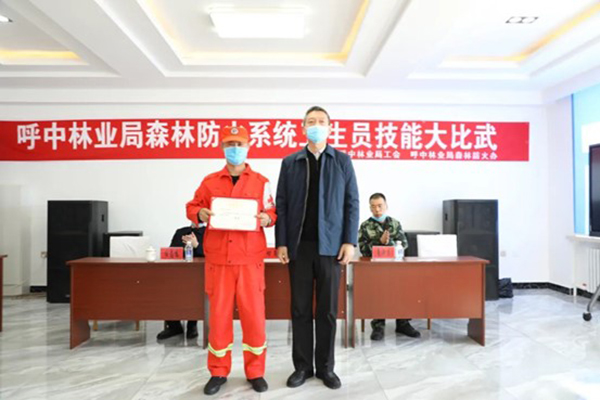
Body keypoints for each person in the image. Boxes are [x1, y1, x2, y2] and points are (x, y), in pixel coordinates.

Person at [186, 125, 277, 396]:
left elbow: (272, 211)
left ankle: (255, 372)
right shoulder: (210, 181)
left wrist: (267, 218)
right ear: (223, 148)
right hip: (219, 261)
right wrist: (200, 213)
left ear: (248, 147)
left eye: (239, 144)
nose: (235, 149)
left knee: (254, 318)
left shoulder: (260, 181)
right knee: (219, 318)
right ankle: (218, 371)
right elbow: (192, 206)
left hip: (250, 261)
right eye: (230, 144)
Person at [276, 106, 359, 390]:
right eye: (311, 121)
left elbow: (352, 202)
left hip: (331, 248)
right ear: (302, 128)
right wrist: (281, 242)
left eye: (321, 121)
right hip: (299, 247)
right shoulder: (290, 162)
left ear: (330, 127)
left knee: (327, 311)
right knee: (300, 309)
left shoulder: (342, 161)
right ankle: (302, 367)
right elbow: (282, 204)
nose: (316, 125)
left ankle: (326, 368)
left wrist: (349, 241)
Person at [358, 193, 421, 340]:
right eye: (373, 207)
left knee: (403, 289)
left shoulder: (395, 223)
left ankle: (403, 323)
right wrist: (379, 242)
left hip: (396, 268)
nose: (377, 210)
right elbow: (363, 249)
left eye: (380, 206)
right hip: (375, 270)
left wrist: (388, 243)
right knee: (378, 292)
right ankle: (378, 325)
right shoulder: (365, 226)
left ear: (386, 206)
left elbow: (404, 244)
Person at [156, 224, 206, 341]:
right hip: (178, 273)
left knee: (194, 289)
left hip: (199, 274)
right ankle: (174, 326)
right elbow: (171, 252)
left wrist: (196, 245)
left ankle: (192, 325)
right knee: (166, 287)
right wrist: (184, 246)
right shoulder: (181, 232)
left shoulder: (209, 233)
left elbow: (212, 255)